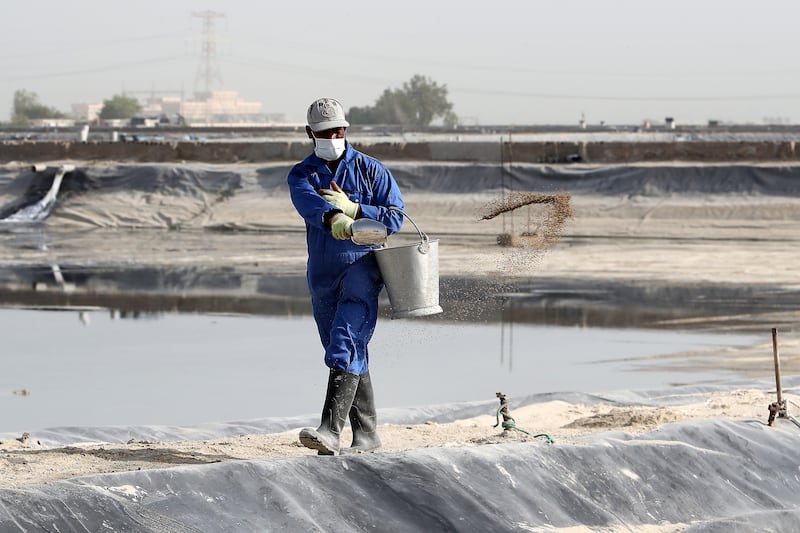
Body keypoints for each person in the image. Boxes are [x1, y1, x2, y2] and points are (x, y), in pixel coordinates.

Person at [287, 97, 405, 455]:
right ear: (311, 133)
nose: (333, 136)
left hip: (362, 269)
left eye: (339, 130)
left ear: (346, 129)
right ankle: (367, 435)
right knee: (347, 349)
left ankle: (329, 430)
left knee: (345, 341)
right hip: (323, 274)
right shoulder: (302, 175)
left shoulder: (372, 171)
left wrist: (355, 209)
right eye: (325, 132)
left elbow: (396, 217)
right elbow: (310, 204)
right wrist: (333, 218)